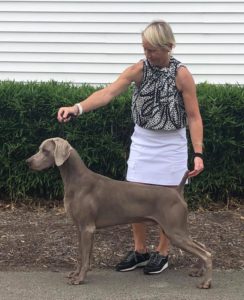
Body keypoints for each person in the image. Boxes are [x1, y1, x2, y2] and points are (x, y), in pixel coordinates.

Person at [57, 20, 204, 275]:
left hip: (171, 144)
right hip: (144, 142)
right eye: (144, 48)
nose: (147, 54)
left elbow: (193, 116)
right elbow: (109, 93)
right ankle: (140, 250)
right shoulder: (139, 69)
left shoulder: (182, 74)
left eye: (152, 50)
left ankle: (162, 252)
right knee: (134, 198)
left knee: (166, 200)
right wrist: (77, 108)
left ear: (168, 46)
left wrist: (198, 153)